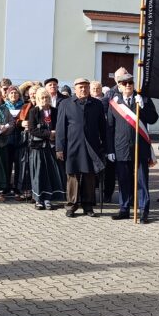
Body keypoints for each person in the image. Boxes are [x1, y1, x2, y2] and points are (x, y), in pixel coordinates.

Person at [107, 68, 159, 223]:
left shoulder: (142, 99)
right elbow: (110, 127)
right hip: (121, 147)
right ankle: (124, 208)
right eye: (124, 83)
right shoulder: (115, 103)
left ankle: (144, 211)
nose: (128, 85)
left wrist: (143, 107)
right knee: (123, 181)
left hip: (140, 148)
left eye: (130, 82)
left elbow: (153, 119)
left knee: (142, 181)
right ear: (119, 86)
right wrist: (110, 149)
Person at [56, 78, 106, 217]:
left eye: (85, 87)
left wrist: (105, 146)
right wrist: (59, 148)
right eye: (80, 87)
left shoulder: (97, 104)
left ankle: (88, 205)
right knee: (72, 176)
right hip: (72, 146)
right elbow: (60, 128)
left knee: (89, 175)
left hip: (92, 146)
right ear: (75, 88)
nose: (83, 89)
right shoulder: (65, 104)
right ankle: (71, 205)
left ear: (89, 88)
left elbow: (103, 126)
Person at [25, 86, 65, 209]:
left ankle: (48, 199)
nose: (44, 99)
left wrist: (55, 134)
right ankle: (38, 200)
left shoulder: (55, 111)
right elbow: (32, 130)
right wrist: (49, 134)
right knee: (38, 173)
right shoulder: (34, 111)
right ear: (37, 99)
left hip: (52, 147)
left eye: (46, 97)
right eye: (41, 97)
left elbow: (61, 126)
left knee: (50, 173)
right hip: (38, 147)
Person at [3, 84, 28, 200]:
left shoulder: (24, 107)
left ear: (19, 95)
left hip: (19, 139)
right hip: (7, 139)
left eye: (16, 93)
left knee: (19, 164)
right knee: (7, 164)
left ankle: (18, 187)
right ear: (8, 95)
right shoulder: (4, 107)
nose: (14, 95)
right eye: (11, 93)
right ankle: (6, 186)